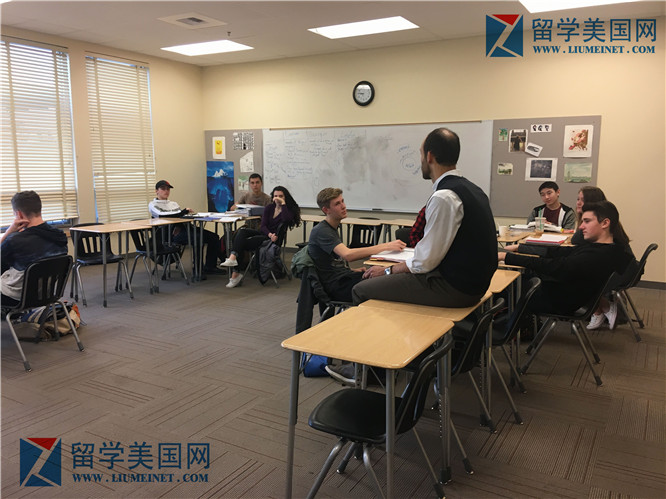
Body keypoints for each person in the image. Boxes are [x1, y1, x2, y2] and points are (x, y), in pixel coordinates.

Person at [352, 127, 497, 308]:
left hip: (455, 289)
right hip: (473, 286)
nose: (420, 160)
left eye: (420, 154)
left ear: (429, 156)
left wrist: (388, 271)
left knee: (360, 289)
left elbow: (425, 262)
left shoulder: (444, 197)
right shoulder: (474, 190)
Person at [499, 201, 632, 316]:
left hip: (558, 301)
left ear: (605, 223)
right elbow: (559, 251)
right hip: (562, 293)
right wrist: (520, 248)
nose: (581, 226)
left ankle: (504, 328)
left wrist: (507, 256)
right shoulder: (607, 248)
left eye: (587, 221)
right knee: (517, 278)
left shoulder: (596, 255)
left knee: (505, 285)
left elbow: (553, 265)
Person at [307, 188, 406, 304]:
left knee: (386, 278)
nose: (343, 206)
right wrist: (386, 246)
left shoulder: (330, 228)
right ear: (326, 210)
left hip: (342, 279)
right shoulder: (322, 231)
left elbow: (329, 264)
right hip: (336, 287)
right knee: (388, 285)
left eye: (342, 201)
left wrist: (352, 270)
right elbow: (348, 255)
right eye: (337, 204)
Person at [220, 186, 301, 288]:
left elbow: (286, 219)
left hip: (274, 240)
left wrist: (283, 204)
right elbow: (263, 226)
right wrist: (269, 234)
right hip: (266, 234)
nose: (278, 198)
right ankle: (233, 257)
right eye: (275, 196)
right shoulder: (269, 208)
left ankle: (235, 273)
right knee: (242, 232)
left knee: (240, 243)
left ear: (285, 197)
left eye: (281, 196)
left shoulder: (289, 210)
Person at [1, 191, 68, 307]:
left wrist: (8, 232)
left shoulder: (14, 240)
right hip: (47, 294)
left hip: (17, 298)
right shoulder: (60, 236)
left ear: (19, 214)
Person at [148, 180, 223, 275]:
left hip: (182, 229)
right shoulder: (153, 204)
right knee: (197, 238)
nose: (166, 191)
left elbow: (179, 217)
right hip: (169, 234)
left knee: (213, 237)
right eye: (163, 189)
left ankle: (210, 266)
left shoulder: (173, 204)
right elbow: (164, 216)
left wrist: (184, 215)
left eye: (168, 189)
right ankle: (198, 269)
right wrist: (183, 212)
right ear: (156, 191)